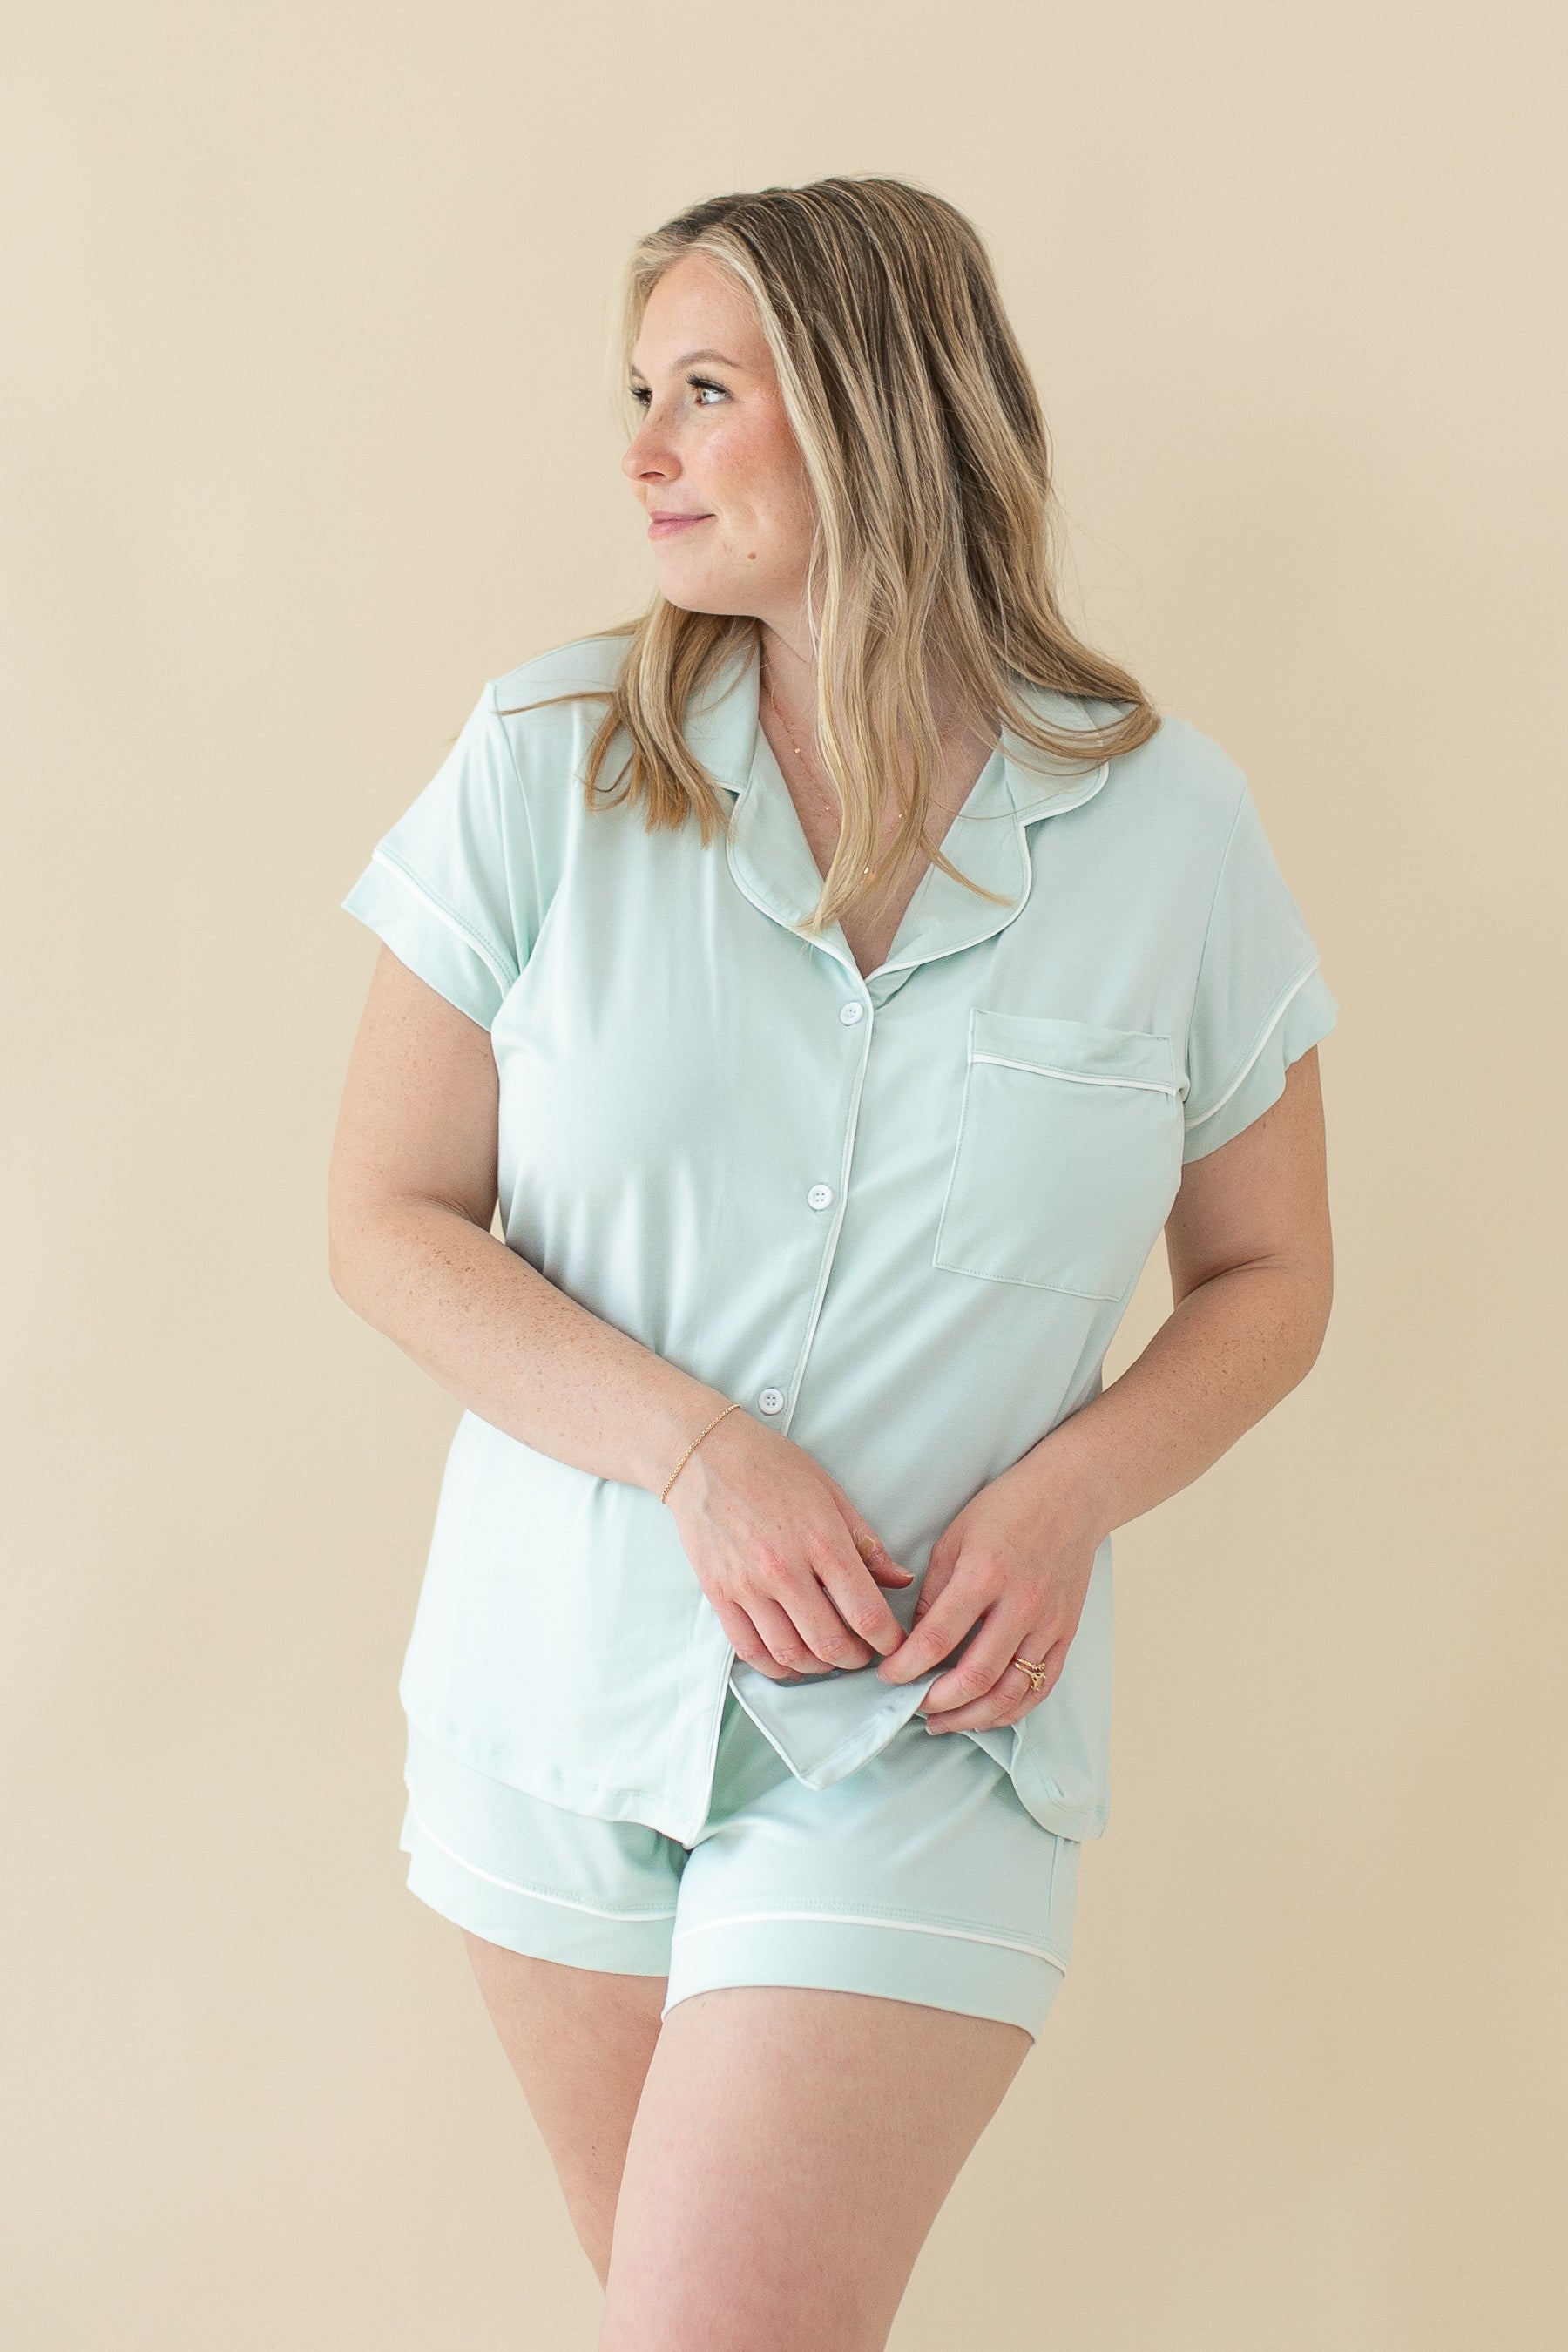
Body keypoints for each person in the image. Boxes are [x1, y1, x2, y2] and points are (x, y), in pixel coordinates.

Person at [327, 175, 1337, 2352]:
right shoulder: (542, 767)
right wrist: (694, 1453)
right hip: (554, 1706)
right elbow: (385, 1219)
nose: (645, 452)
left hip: (927, 1734)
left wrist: (1071, 1492)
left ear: (877, 410)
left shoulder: (1171, 835)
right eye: (640, 395)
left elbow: (1268, 1273)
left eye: (707, 391)